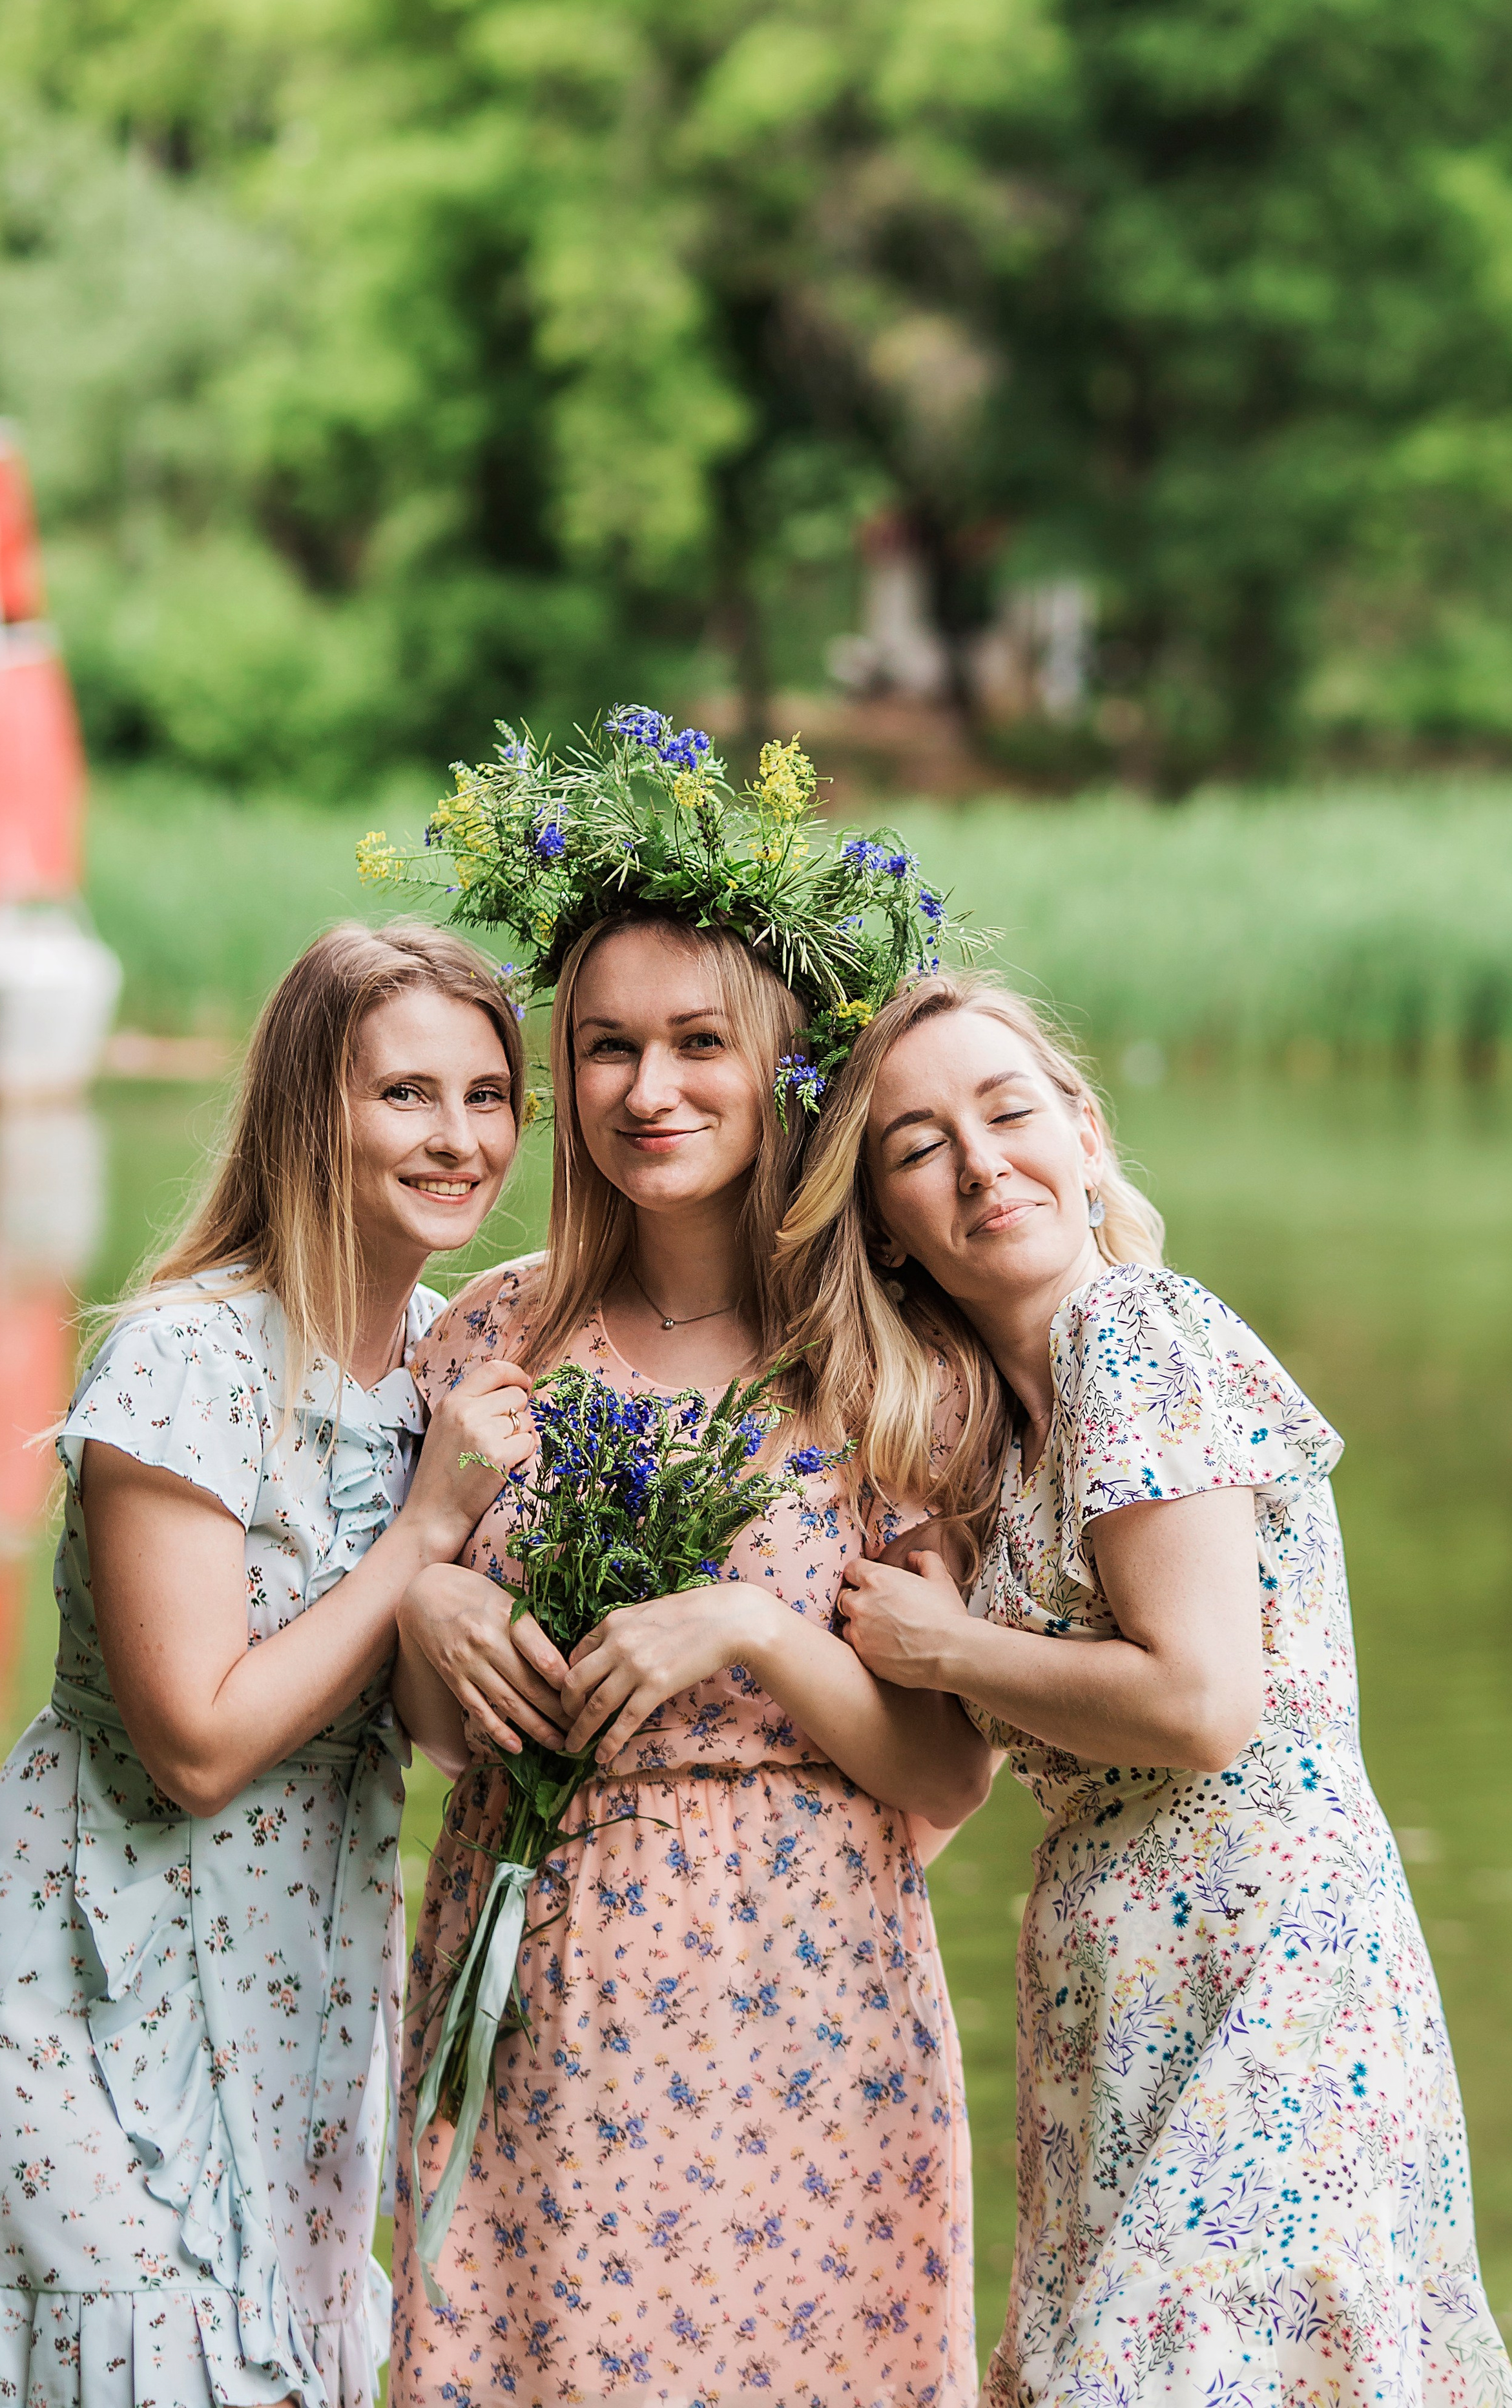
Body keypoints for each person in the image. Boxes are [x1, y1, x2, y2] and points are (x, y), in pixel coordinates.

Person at [777, 973, 1512, 2407]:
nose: (982, 1161)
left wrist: (941, 1647)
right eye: (921, 1146)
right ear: (880, 1222)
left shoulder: (1134, 1332)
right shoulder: (986, 1437)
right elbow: (951, 1771)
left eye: (1008, 1112)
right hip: (1109, 1993)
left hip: (1269, 1962)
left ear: (1084, 1134)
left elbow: (1197, 1703)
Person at [388, 906, 997, 2407]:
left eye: (697, 1042)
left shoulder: (887, 1365)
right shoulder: (491, 1332)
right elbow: (428, 1734)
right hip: (538, 1986)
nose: (647, 1089)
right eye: (608, 1047)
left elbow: (945, 1771)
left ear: (783, 1067)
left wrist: (751, 1628)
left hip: (806, 2013)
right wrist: (426, 1606)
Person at [0, 922, 534, 2408]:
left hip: (309, 1970)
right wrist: (428, 1529)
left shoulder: (448, 1362)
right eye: (405, 1095)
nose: (458, 1138)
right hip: (99, 1978)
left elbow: (429, 1719)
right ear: (311, 1111)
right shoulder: (186, 1357)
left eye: (488, 1096)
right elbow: (199, 1744)